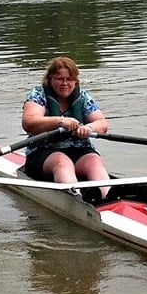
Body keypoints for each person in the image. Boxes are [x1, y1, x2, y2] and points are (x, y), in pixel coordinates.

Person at [21, 56, 110, 197]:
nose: (65, 83)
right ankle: (77, 200)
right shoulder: (38, 95)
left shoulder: (83, 97)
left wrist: (90, 128)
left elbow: (102, 123)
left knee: (95, 161)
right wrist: (60, 121)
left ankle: (107, 197)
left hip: (78, 149)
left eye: (69, 79)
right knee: (62, 162)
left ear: (75, 81)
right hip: (43, 152)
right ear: (50, 79)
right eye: (60, 79)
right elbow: (29, 122)